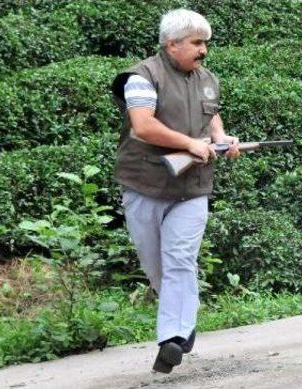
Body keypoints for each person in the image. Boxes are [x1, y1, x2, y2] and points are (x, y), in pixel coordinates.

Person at [110, 8, 239, 374]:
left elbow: (211, 113)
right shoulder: (141, 77)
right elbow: (143, 127)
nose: (204, 51)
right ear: (172, 44)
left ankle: (173, 339)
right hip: (145, 184)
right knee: (157, 267)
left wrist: (220, 139)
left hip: (192, 186)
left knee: (181, 259)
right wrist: (188, 143)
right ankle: (183, 324)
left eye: (205, 43)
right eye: (197, 43)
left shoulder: (207, 78)